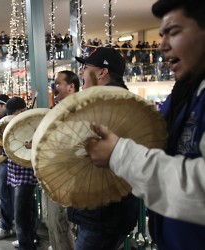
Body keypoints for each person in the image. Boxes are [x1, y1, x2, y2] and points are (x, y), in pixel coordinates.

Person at [85, 0, 205, 249]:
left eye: (174, 32)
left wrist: (120, 153)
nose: (162, 45)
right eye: (161, 35)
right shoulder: (183, 94)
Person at [66, 47, 139, 250]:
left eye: (86, 67)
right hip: (101, 211)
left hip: (102, 213)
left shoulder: (110, 105)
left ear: (102, 72)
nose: (81, 72)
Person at [46, 70, 80, 250]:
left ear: (71, 86)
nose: (54, 86)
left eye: (58, 83)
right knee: (50, 221)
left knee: (61, 223)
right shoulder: (57, 110)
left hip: (66, 179)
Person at [3, 97, 39, 249]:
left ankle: (26, 245)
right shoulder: (15, 125)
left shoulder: (29, 125)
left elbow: (21, 149)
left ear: (21, 111)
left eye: (14, 113)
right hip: (17, 174)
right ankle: (31, 239)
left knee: (21, 215)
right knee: (28, 211)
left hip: (25, 177)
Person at [0, 94, 17, 241]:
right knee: (5, 196)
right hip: (3, 163)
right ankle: (7, 225)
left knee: (11, 197)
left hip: (10, 163)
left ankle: (10, 226)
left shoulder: (9, 122)